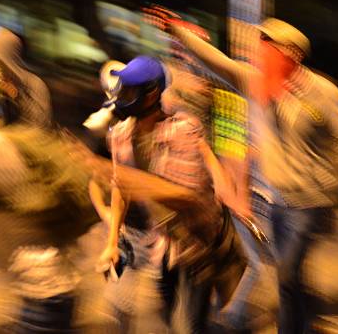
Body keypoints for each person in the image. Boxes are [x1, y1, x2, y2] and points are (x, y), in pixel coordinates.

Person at [159, 15, 338, 334]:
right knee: (292, 277)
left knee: (287, 275)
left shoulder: (324, 92)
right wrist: (178, 30)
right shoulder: (255, 82)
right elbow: (215, 61)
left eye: (266, 49)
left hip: (311, 202)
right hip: (276, 201)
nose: (257, 56)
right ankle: (310, 320)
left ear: (291, 54)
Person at [94, 55, 246, 334]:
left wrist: (116, 175)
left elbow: (183, 196)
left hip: (197, 247)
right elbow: (121, 190)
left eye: (128, 92)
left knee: (187, 327)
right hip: (160, 246)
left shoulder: (183, 130)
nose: (121, 100)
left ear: (151, 94)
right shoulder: (120, 136)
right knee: (167, 320)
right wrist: (112, 241)